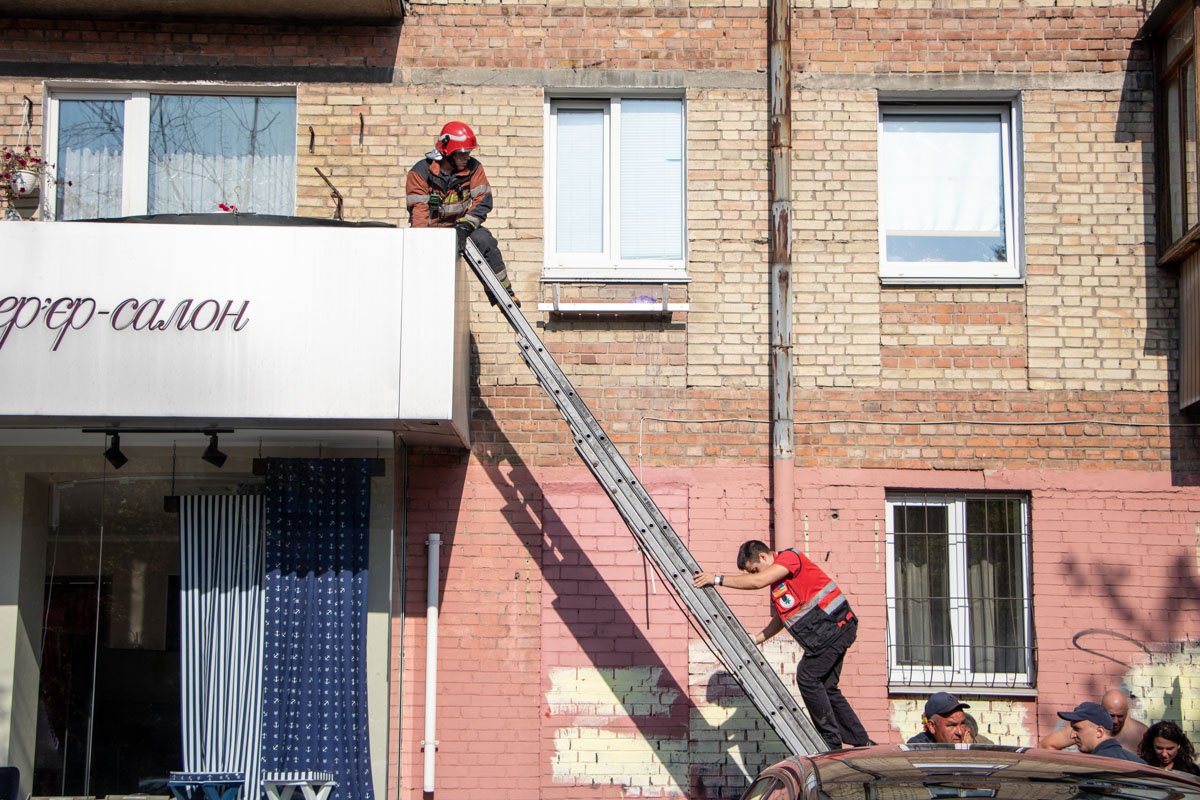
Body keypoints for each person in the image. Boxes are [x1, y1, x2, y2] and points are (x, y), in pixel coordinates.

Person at [692, 539, 871, 751]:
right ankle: (860, 740)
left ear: (763, 556)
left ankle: (830, 741)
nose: (754, 575)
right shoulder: (779, 585)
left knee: (807, 676)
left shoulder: (790, 558)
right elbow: (782, 618)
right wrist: (756, 639)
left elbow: (757, 582)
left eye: (754, 569)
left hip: (835, 627)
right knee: (827, 687)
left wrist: (717, 579)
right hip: (829, 634)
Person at [406, 121, 518, 304]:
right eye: (462, 154)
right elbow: (419, 212)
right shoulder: (420, 172)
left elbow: (483, 201)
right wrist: (422, 242)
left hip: (463, 225)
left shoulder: (474, 168)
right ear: (447, 152)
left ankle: (504, 294)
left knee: (485, 240)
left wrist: (464, 227)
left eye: (469, 153)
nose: (467, 157)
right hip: (432, 231)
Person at [1041, 689, 1148, 752]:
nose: (1115, 721)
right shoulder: (1086, 728)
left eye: (1120, 716)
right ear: (1102, 710)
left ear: (1127, 711)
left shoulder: (1140, 733)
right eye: (1111, 715)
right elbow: (1045, 745)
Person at [1057, 701, 1146, 762]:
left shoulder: (1096, 765)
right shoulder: (1138, 763)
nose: (1072, 735)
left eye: (1077, 729)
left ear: (1099, 731)